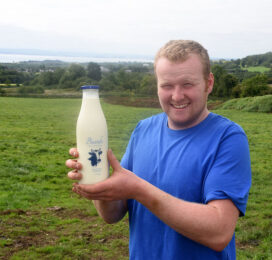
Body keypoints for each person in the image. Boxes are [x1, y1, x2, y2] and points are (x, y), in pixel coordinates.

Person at [66, 40, 251, 259]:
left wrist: (138, 189)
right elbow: (113, 214)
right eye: (167, 86)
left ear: (208, 83)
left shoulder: (228, 138)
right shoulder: (143, 130)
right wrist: (98, 183)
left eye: (187, 84)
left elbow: (219, 232)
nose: (177, 95)